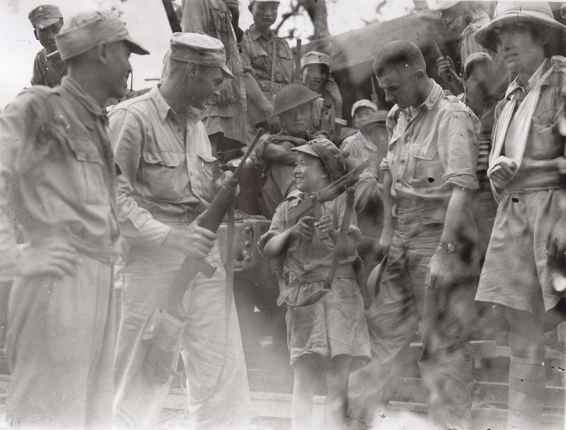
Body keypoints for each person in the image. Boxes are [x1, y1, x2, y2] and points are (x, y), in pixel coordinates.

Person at [0, 10, 148, 427]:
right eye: (125, 54)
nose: (130, 67)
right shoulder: (38, 108)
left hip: (99, 281)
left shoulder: (96, 119)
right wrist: (12, 257)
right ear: (102, 52)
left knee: (90, 415)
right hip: (58, 283)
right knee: (49, 414)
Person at [110, 32, 250, 429]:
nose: (218, 90)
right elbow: (112, 199)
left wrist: (220, 188)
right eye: (214, 80)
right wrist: (170, 237)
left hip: (202, 255)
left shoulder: (197, 125)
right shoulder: (130, 118)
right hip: (151, 265)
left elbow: (196, 194)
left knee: (219, 371)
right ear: (190, 71)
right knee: (142, 372)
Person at [366, 41, 479, 429]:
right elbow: (388, 175)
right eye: (384, 89)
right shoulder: (396, 115)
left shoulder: (452, 117)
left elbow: (461, 190)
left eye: (393, 88)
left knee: (443, 343)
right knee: (384, 336)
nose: (388, 97)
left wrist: (444, 254)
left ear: (417, 73)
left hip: (439, 234)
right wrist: (386, 231)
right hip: (401, 237)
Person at [474, 3, 566, 428]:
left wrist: (531, 170)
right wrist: (502, 174)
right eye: (499, 35)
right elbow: (501, 173)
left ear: (541, 35)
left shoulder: (561, 84)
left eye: (516, 31)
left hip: (557, 219)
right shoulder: (508, 101)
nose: (505, 43)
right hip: (513, 221)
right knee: (522, 333)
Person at [262, 137, 371, 430]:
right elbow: (269, 248)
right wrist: (292, 233)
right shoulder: (288, 208)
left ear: (324, 171)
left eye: (305, 164)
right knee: (304, 375)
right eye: (296, 164)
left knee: (338, 377)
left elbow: (351, 249)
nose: (297, 170)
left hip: (339, 295)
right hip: (303, 298)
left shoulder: (342, 202)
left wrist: (334, 234)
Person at [181, 0, 273, 160]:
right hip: (213, 98)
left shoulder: (225, 4)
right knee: (208, 156)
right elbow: (194, 43)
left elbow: (233, 51)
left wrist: (234, 16)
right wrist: (216, 79)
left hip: (232, 101)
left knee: (228, 162)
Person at [255, 83, 321, 217]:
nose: (298, 117)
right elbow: (275, 152)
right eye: (291, 113)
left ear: (310, 112)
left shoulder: (314, 140)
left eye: (303, 110)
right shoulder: (275, 143)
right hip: (283, 214)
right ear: (282, 118)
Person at [240, 0, 294, 103]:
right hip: (256, 107)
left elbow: (292, 80)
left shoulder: (283, 44)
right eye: (262, 7)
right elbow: (244, 77)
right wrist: (266, 107)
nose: (268, 13)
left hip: (285, 105)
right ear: (251, 9)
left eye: (274, 8)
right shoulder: (242, 41)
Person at [301, 50, 344, 139]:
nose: (318, 76)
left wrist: (338, 103)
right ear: (302, 74)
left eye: (322, 72)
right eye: (312, 70)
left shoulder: (328, 101)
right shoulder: (295, 97)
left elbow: (336, 137)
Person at [29, 4, 66, 87]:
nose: (50, 36)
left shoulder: (80, 51)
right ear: (36, 35)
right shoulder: (40, 58)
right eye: (44, 31)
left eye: (54, 28)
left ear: (63, 26)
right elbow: (37, 89)